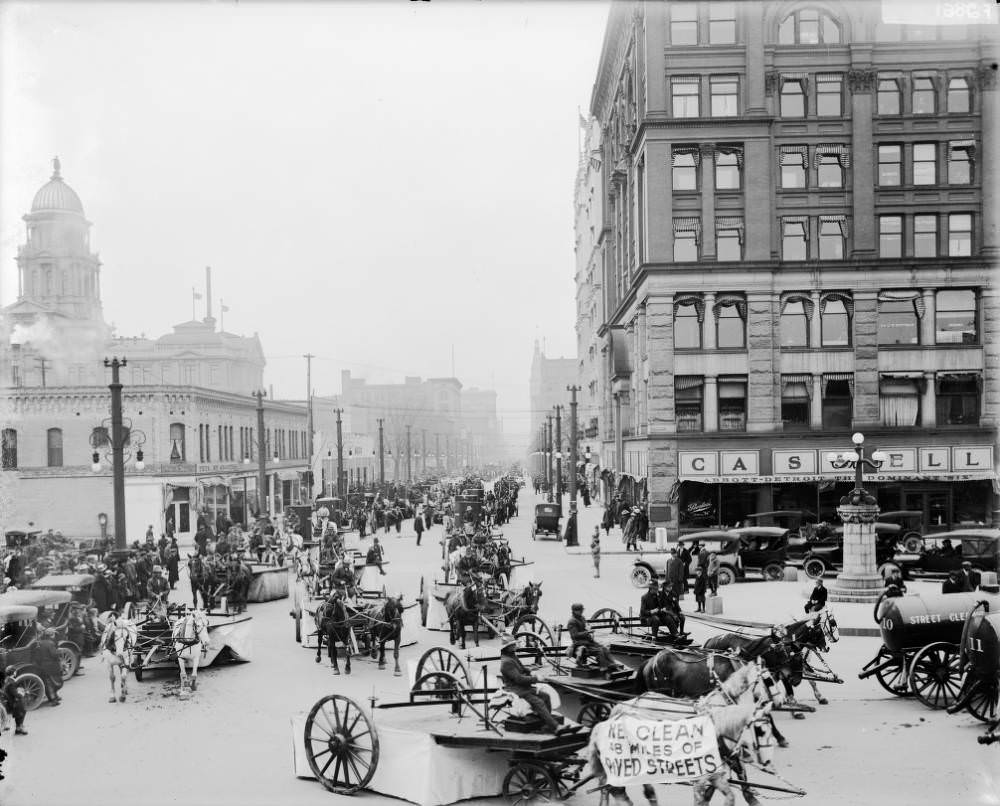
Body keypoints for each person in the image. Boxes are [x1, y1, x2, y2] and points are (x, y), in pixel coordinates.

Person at [498, 634, 577, 735]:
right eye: (512, 645)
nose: (515, 646)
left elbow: (522, 668)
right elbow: (519, 679)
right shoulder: (506, 662)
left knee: (546, 696)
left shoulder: (511, 656)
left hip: (523, 687)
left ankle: (546, 723)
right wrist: (536, 679)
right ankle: (556, 727)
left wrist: (531, 672)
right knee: (539, 702)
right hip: (516, 689)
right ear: (507, 647)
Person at [566, 603, 619, 671]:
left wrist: (588, 628)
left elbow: (585, 626)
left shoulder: (582, 618)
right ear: (574, 611)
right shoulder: (572, 621)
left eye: (582, 610)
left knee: (605, 648)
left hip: (588, 641)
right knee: (599, 651)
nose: (582, 612)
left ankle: (613, 663)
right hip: (579, 643)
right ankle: (604, 667)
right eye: (580, 610)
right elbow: (575, 635)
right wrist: (587, 632)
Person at [31, 628, 63, 706]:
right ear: (51, 635)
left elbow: (37, 657)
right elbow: (54, 654)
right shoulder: (50, 643)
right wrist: (59, 652)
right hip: (52, 666)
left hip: (43, 666)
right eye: (54, 634)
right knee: (55, 682)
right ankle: (53, 700)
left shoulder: (40, 643)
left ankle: (54, 697)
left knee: (49, 683)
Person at [0, 667, 28, 735]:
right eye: (15, 671)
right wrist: (24, 692)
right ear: (13, 673)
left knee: (20, 709)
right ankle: (19, 728)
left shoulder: (7, 680)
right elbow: (15, 694)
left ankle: (18, 727)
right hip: (13, 702)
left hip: (9, 700)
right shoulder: (11, 682)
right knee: (22, 709)